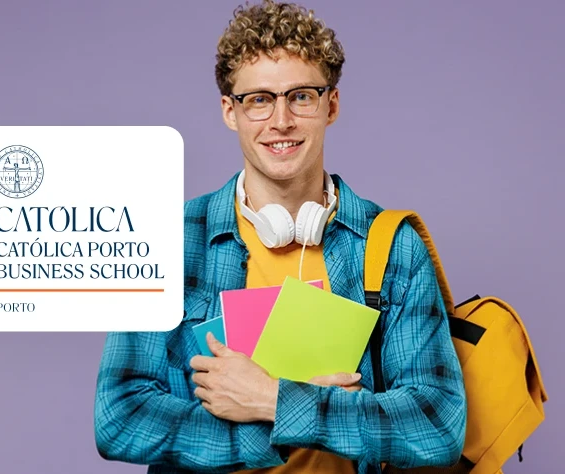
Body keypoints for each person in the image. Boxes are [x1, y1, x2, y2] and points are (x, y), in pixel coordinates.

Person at [94, 1, 467, 473]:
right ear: (230, 111)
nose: (281, 121)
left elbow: (437, 426)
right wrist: (304, 421)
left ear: (330, 105)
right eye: (259, 99)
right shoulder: (170, 241)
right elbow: (120, 416)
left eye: (301, 96)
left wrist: (272, 400)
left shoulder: (391, 247)